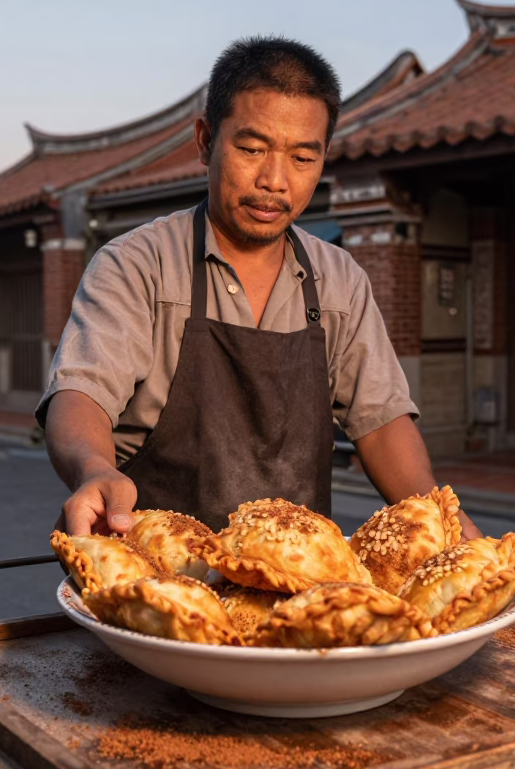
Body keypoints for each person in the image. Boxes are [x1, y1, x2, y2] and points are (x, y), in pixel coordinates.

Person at [38, 36, 481, 539]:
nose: (275, 181)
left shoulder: (338, 279)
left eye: (302, 158)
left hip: (295, 575)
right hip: (155, 567)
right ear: (205, 140)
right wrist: (94, 469)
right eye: (252, 149)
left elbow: (381, 425)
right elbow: (82, 392)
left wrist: (443, 521)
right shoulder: (136, 264)